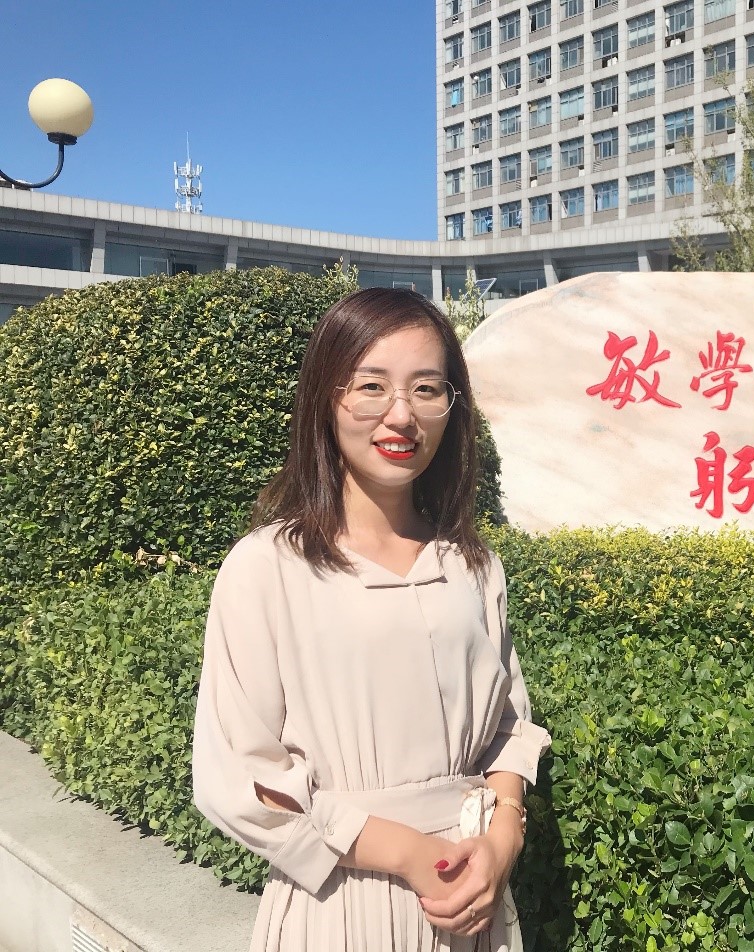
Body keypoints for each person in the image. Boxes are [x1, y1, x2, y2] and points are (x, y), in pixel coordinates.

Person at [192, 287, 550, 951]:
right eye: (371, 386)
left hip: (474, 898)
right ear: (325, 399)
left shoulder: (472, 566)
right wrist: (408, 853)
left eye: (426, 389)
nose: (401, 415)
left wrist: (503, 838)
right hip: (342, 899)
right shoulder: (268, 567)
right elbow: (238, 777)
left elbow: (507, 723)